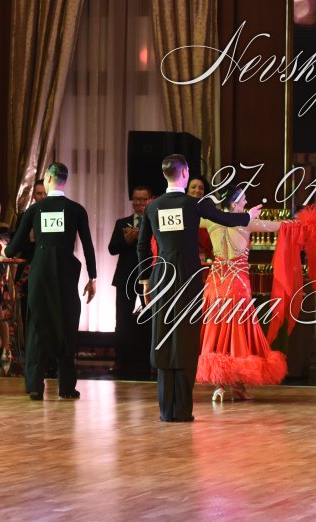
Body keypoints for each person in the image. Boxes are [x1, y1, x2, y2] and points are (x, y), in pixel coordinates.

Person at [137, 154, 259, 423]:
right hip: (187, 280)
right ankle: (182, 410)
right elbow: (224, 218)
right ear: (184, 173)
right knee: (186, 341)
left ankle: (165, 410)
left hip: (161, 279)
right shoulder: (193, 204)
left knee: (163, 338)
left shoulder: (153, 206)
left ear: (165, 174)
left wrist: (145, 280)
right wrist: (248, 216)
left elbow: (142, 246)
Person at [5, 162, 96, 401]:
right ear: (65, 180)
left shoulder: (35, 210)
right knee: (67, 324)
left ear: (47, 179)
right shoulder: (76, 209)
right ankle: (66, 387)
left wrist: (5, 252)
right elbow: (88, 246)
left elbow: (14, 247)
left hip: (40, 272)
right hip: (66, 273)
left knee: (37, 324)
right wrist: (92, 278)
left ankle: (35, 386)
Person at [198, 184, 288, 402]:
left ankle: (220, 386)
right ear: (234, 202)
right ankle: (237, 387)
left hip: (215, 284)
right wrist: (306, 224)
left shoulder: (209, 221)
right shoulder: (248, 222)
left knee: (218, 333)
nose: (246, 202)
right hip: (237, 285)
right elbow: (278, 226)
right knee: (237, 335)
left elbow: (185, 218)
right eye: (243, 199)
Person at [108, 185, 154, 379]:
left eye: (143, 199)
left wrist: (141, 236)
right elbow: (112, 248)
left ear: (150, 200)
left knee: (150, 319)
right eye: (136, 199)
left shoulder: (155, 222)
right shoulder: (122, 223)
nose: (139, 203)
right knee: (122, 320)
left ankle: (151, 362)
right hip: (125, 277)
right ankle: (120, 360)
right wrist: (126, 240)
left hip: (148, 277)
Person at [187, 175, 214, 261]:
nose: (197, 190)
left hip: (207, 261)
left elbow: (211, 242)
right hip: (186, 260)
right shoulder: (180, 211)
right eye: (193, 187)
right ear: (186, 190)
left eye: (201, 188)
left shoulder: (210, 212)